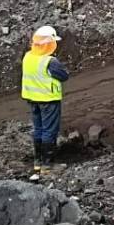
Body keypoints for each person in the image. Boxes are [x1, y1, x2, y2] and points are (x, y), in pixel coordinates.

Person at [20, 25, 70, 174]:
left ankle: (38, 162)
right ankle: (48, 166)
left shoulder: (28, 56)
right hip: (48, 100)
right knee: (49, 131)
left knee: (39, 129)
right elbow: (63, 76)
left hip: (32, 99)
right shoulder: (50, 62)